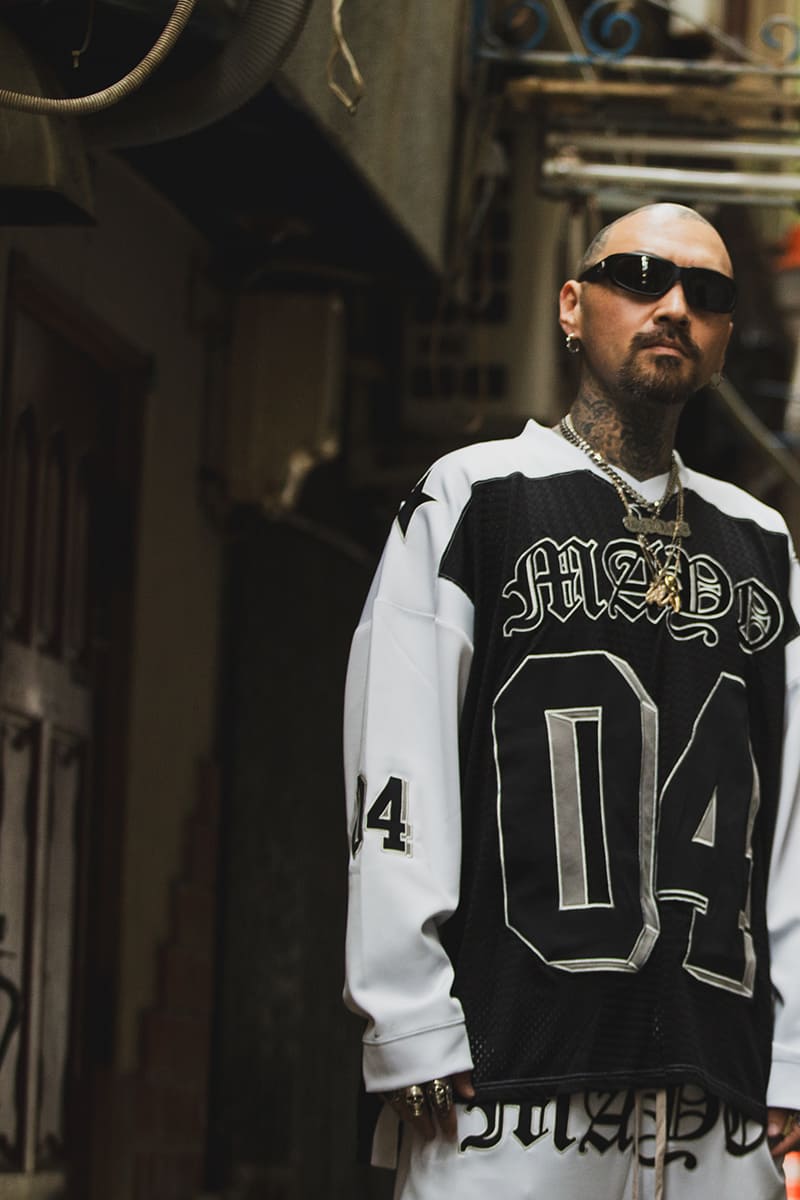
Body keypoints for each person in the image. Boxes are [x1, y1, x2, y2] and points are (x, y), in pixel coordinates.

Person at [343, 203, 800, 1199]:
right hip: (508, 1079)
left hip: (717, 1091)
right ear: (569, 304)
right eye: (637, 276)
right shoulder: (474, 497)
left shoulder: (761, 543)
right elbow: (399, 760)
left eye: (706, 293)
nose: (671, 306)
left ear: (724, 336)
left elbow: (793, 819)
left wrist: (795, 1056)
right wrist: (408, 1014)